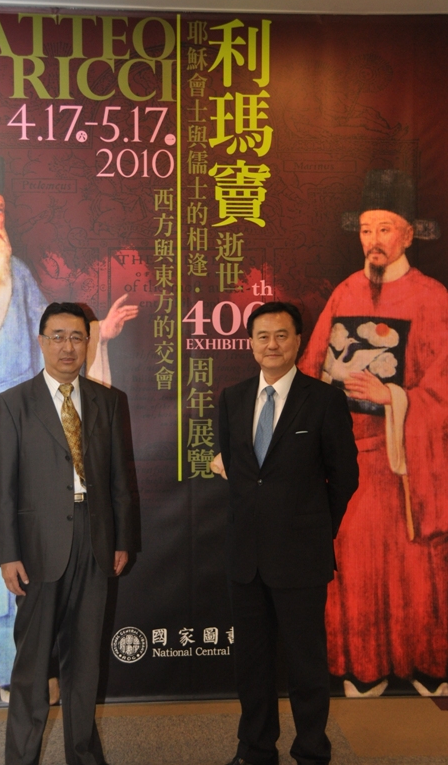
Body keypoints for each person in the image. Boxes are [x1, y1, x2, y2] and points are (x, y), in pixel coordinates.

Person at [0, 149, 137, 711]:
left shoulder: (17, 277)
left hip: (26, 445)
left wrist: (99, 338)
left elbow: (55, 358)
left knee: (25, 568)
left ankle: (8, 671)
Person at [299, 169, 448, 698]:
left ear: (408, 234)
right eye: (366, 230)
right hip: (350, 457)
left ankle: (425, 665)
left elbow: (444, 385)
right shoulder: (345, 291)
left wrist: (394, 397)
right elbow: (312, 366)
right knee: (353, 567)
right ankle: (363, 667)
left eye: (385, 229)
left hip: (404, 464)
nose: (375, 241)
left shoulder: (432, 298)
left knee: (417, 568)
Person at [0, 302, 133, 765]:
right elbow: (4, 487)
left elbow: (119, 480)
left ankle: (84, 756)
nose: (67, 346)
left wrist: (121, 539)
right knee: (32, 670)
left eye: (76, 336)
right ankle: (21, 758)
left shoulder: (108, 402)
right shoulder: (13, 403)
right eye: (57, 336)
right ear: (40, 341)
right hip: (36, 551)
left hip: (94, 543)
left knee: (84, 664)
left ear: (88, 342)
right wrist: (7, 553)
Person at [217, 301, 358, 765]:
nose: (271, 344)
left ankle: (312, 751)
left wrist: (314, 528)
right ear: (251, 343)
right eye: (262, 336)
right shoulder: (233, 398)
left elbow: (345, 477)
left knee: (306, 665)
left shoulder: (324, 400)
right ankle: (255, 750)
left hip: (301, 557)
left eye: (281, 335)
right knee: (251, 665)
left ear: (298, 341)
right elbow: (239, 473)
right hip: (246, 558)